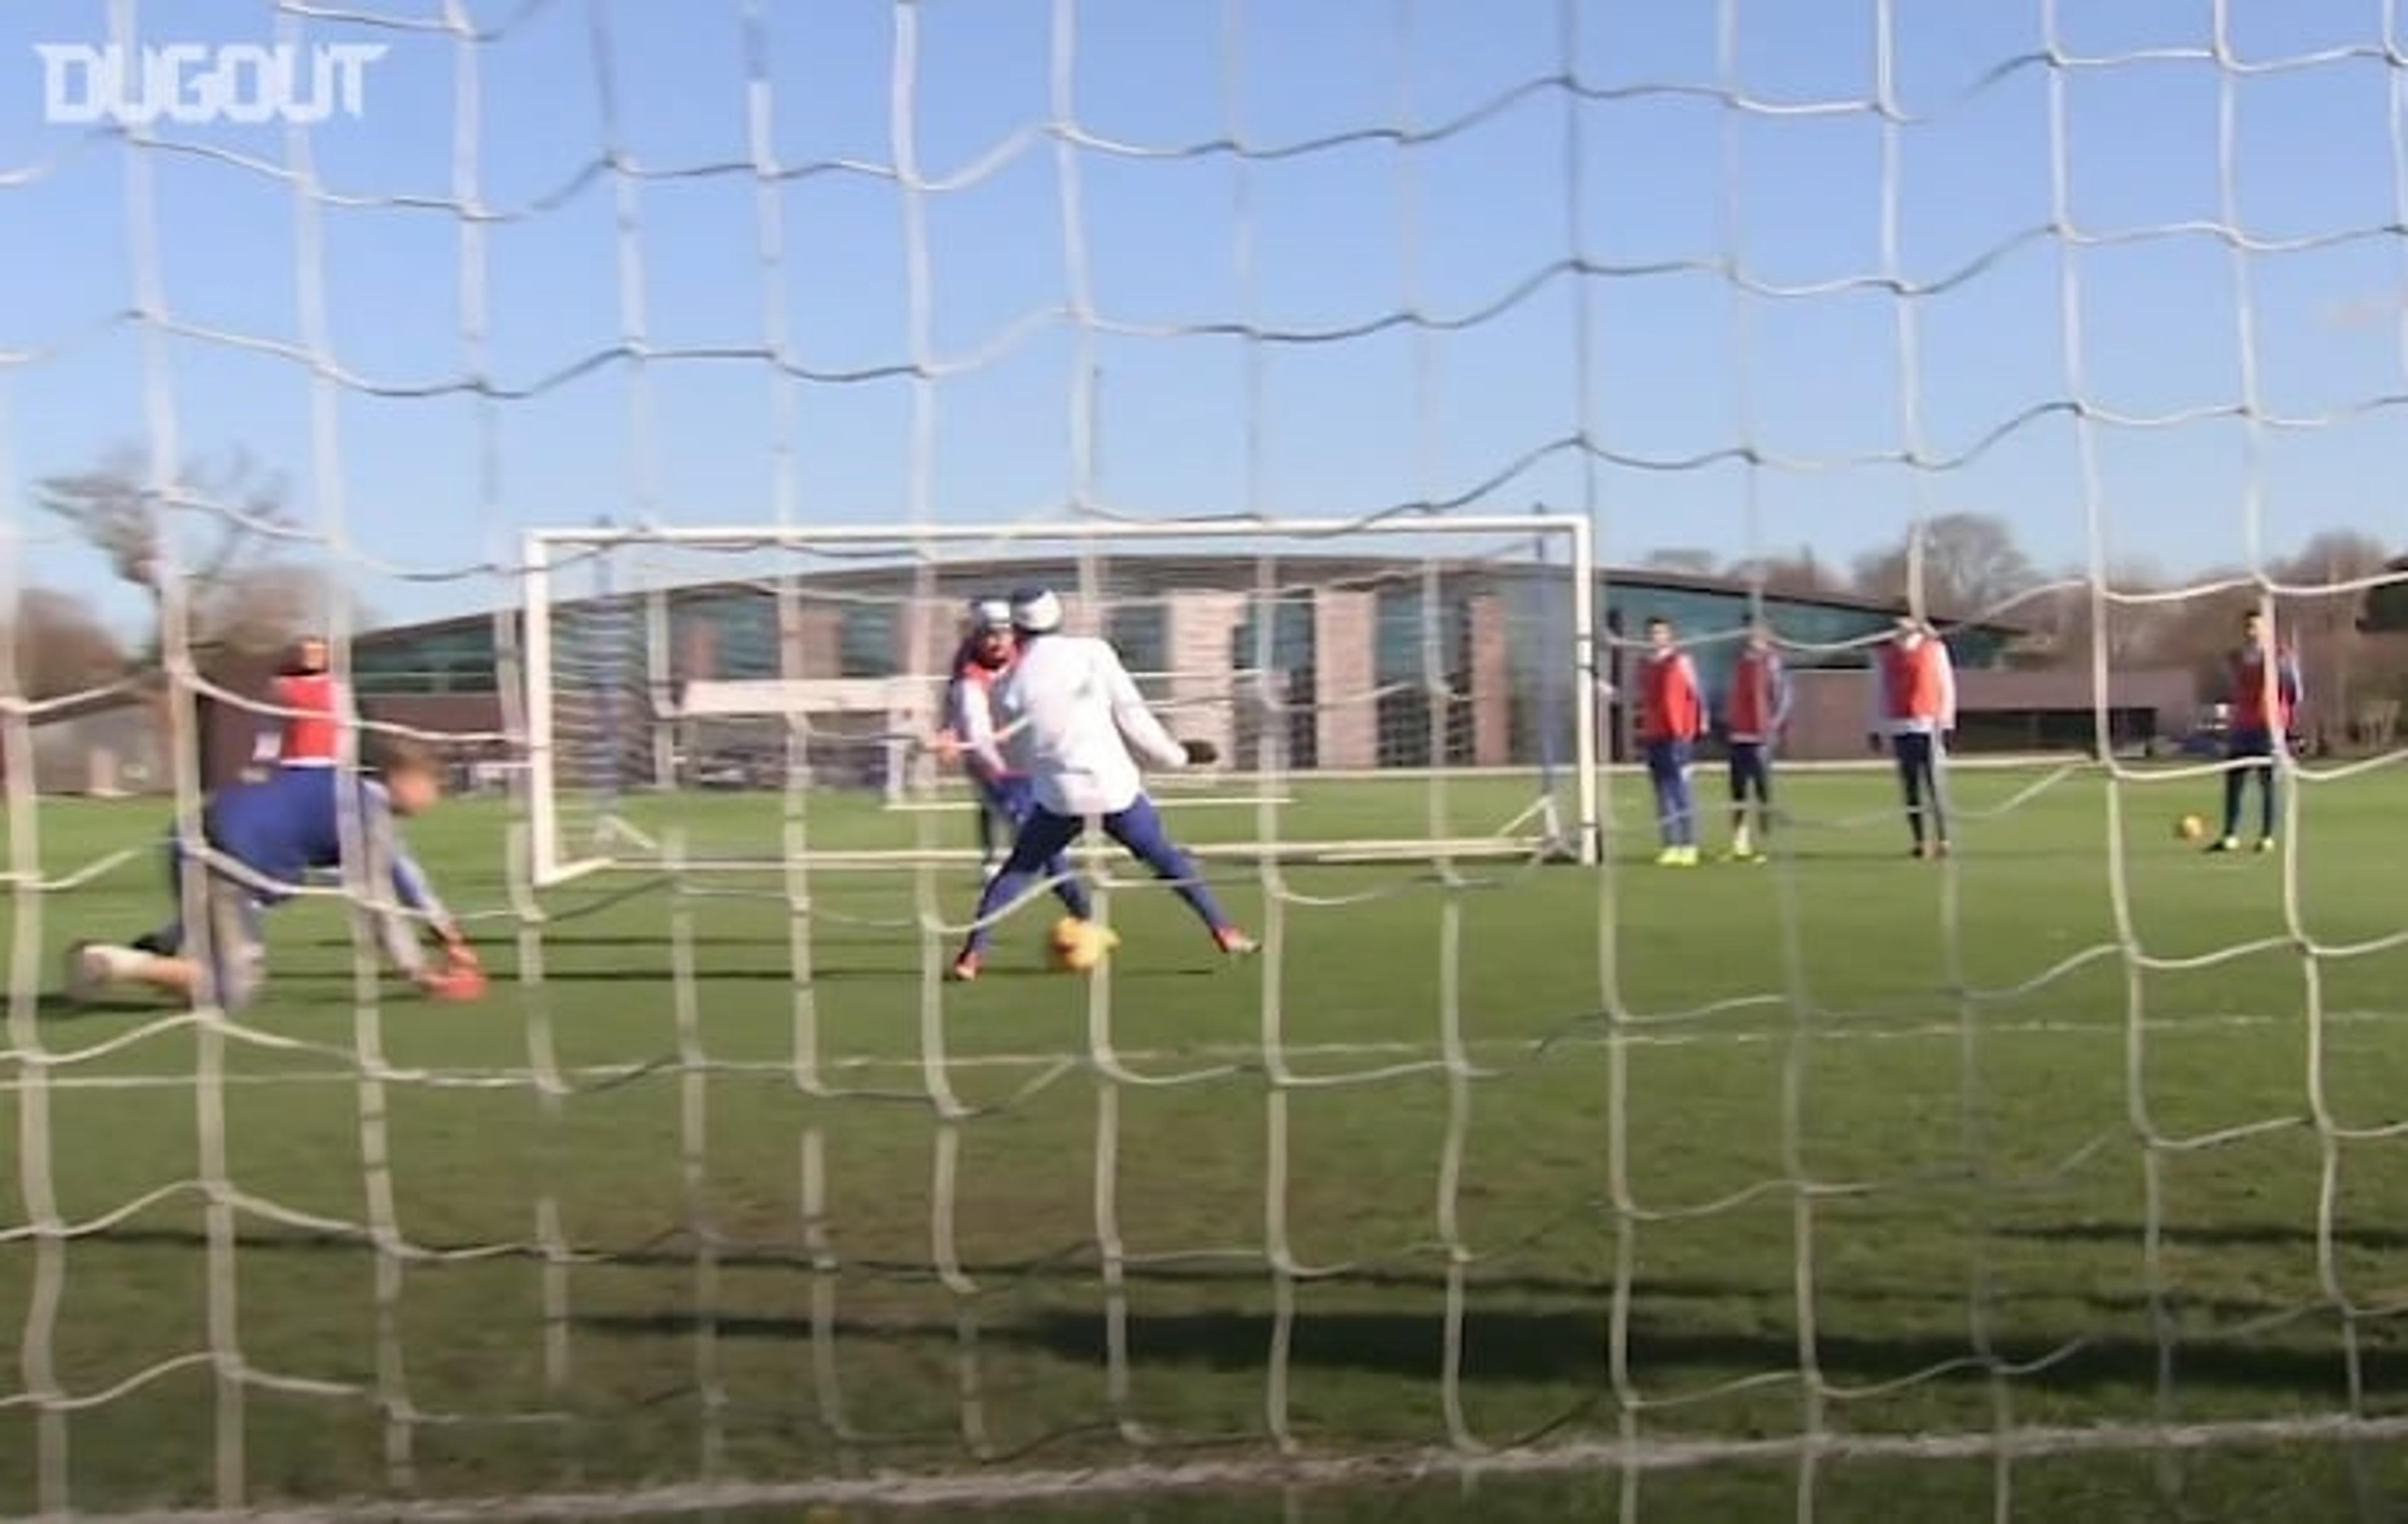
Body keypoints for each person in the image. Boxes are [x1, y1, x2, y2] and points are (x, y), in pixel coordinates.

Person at [949, 587, 1254, 982]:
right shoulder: (1095, 652)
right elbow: (1135, 719)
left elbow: (1019, 759)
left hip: (1059, 798)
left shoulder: (1011, 684)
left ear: (1018, 629)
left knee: (1017, 872)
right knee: (1168, 861)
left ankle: (971, 957)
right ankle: (1225, 930)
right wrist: (1177, 756)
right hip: (1114, 788)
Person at [64, 735, 483, 1011]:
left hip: (190, 837)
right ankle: (111, 963)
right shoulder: (367, 815)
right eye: (435, 785)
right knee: (235, 988)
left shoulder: (344, 790)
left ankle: (160, 945)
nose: (436, 797)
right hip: (225, 855)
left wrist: (445, 934)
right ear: (405, 779)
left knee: (267, 894)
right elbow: (379, 905)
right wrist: (419, 973)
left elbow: (402, 872)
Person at [946, 597, 1090, 920]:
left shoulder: (1030, 659)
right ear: (975, 636)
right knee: (1037, 840)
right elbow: (970, 720)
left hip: (1032, 762)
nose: (997, 642)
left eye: (1004, 633)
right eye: (989, 634)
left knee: (1052, 830)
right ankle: (1082, 910)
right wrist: (977, 750)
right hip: (997, 772)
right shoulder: (969, 677)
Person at [2209, 608, 2301, 854]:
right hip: (2242, 727)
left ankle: (2267, 836)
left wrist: (2284, 722)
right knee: (2234, 780)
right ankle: (2230, 834)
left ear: (2267, 629)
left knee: (2267, 782)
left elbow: (2293, 691)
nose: (2252, 632)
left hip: (2268, 727)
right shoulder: (2236, 658)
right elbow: (2231, 689)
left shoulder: (2279, 657)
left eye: (2257, 627)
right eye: (2248, 627)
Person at [1871, 615, 1956, 858]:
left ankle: (1943, 839)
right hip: (1902, 726)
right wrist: (1876, 728)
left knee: (1934, 785)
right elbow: (1878, 692)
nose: (1901, 626)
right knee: (1911, 789)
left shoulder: (1934, 649)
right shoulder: (1886, 655)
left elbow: (1946, 685)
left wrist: (1947, 722)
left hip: (1928, 725)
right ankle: (1919, 841)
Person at [1635, 616, 1704, 866]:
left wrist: (1697, 726)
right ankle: (1670, 845)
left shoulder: (1681, 661)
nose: (1656, 638)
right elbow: (1638, 695)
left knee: (1681, 791)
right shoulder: (1643, 664)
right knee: (1662, 793)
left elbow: (1697, 694)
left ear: (1670, 636)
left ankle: (1689, 844)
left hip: (1678, 735)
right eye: (1652, 633)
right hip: (1654, 735)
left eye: (1661, 633)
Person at [1720, 618, 1790, 862]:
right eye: (1751, 632)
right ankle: (1740, 843)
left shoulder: (1771, 662)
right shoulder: (1740, 661)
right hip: (1739, 734)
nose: (1754, 636)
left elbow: (1783, 697)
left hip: (1760, 737)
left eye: (1759, 632)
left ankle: (1765, 845)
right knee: (1737, 790)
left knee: (1762, 790)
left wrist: (1773, 726)